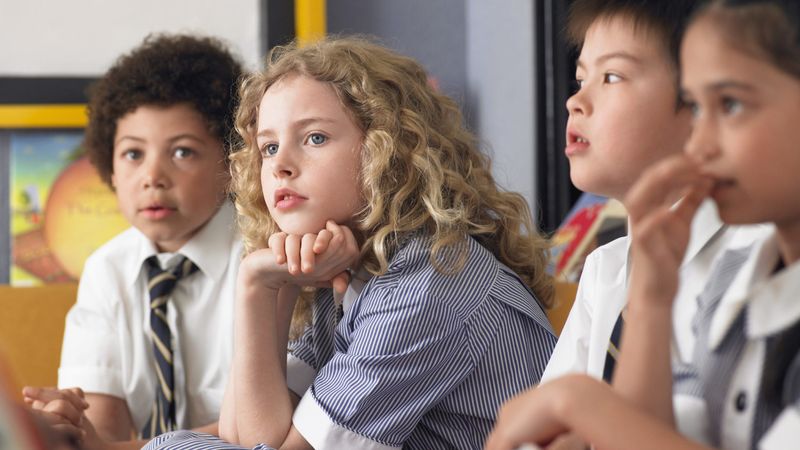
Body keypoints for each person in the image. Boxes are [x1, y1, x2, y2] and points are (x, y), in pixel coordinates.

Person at [145, 35, 557, 450]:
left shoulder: (432, 279)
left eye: (315, 138)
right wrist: (264, 283)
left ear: (389, 151)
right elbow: (248, 436)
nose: (280, 166)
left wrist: (258, 283)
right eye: (269, 147)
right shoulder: (347, 269)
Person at [486, 0, 800, 448]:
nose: (575, 100)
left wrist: (581, 406)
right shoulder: (617, 266)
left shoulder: (744, 259)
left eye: (728, 104)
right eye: (697, 102)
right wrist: (651, 301)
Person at [22, 33, 245, 450]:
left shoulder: (268, 257)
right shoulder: (107, 269)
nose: (152, 177)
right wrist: (71, 426)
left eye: (182, 152)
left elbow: (264, 427)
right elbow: (102, 430)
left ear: (233, 164)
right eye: (132, 154)